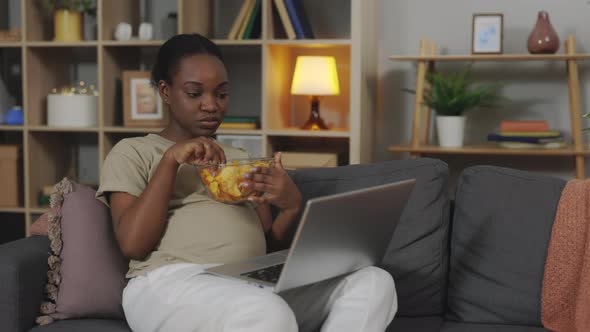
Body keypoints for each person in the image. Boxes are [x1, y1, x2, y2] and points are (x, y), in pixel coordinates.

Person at [96, 33, 397, 332]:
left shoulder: (239, 157)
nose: (211, 105)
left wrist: (291, 207)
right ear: (165, 91)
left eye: (221, 94)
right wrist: (170, 161)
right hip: (169, 284)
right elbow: (132, 244)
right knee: (266, 312)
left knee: (373, 282)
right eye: (194, 93)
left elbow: (265, 247)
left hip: (248, 283)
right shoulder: (134, 151)